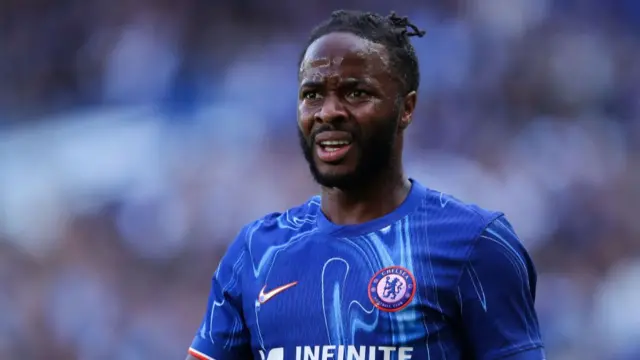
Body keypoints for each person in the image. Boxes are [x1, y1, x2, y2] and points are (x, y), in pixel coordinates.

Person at [186, 10, 545, 360]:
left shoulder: (475, 244)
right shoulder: (256, 253)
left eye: (356, 93)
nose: (328, 111)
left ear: (406, 108)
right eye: (312, 95)